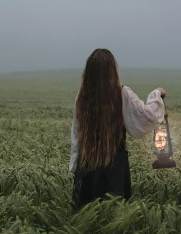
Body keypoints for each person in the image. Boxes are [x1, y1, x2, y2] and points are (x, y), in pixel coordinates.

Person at [69, 48, 166, 208]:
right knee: (115, 216)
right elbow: (147, 117)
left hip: (86, 168)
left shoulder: (82, 96)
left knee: (86, 217)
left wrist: (75, 165)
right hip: (114, 167)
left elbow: (76, 133)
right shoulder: (121, 93)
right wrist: (156, 94)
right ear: (112, 71)